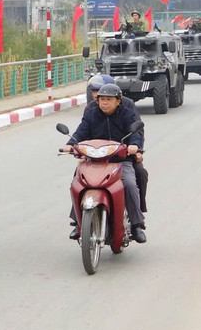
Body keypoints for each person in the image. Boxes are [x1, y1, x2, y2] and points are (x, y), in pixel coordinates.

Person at [60, 83, 147, 243]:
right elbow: (81, 131)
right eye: (102, 99)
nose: (105, 103)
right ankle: (78, 222)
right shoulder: (91, 114)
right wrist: (71, 145)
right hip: (94, 161)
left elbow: (135, 133)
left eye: (109, 99)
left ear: (118, 101)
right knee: (77, 183)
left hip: (120, 160)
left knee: (129, 184)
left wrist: (135, 146)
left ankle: (136, 224)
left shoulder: (127, 114)